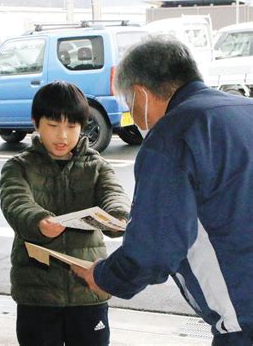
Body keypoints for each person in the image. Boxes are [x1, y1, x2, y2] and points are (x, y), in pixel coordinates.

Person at [72, 36, 253, 345]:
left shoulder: (171, 136)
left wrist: (104, 277)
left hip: (244, 322)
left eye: (130, 104)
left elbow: (153, 250)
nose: (133, 113)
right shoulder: (245, 109)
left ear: (141, 93)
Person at [0, 81, 131, 346]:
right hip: (36, 293)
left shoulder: (96, 165)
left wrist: (118, 216)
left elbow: (114, 194)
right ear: (36, 123)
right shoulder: (18, 166)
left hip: (88, 289)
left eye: (71, 126)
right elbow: (15, 201)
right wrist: (38, 220)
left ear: (82, 126)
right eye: (53, 125)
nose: (62, 136)